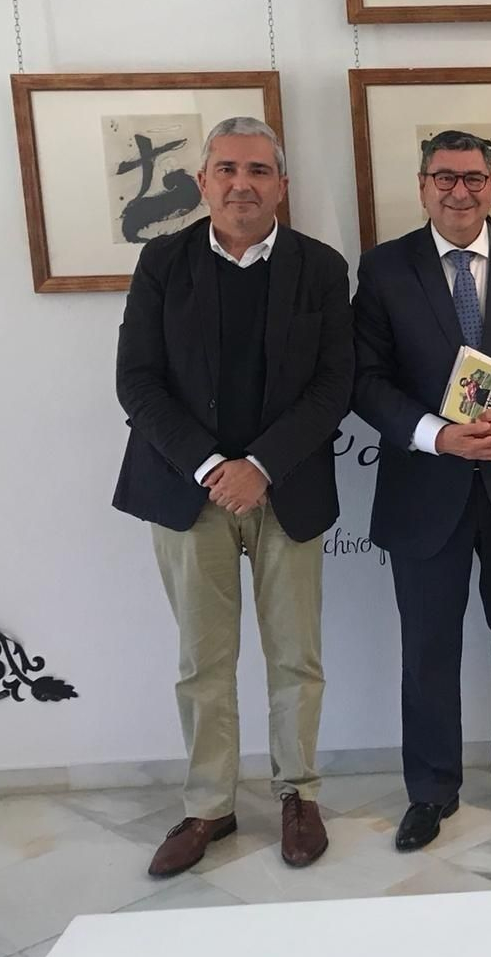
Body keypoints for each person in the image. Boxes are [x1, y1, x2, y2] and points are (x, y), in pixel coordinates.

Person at [113, 117, 351, 877]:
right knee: (202, 662)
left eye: (257, 170)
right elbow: (137, 381)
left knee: (295, 657)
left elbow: (333, 385)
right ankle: (208, 806)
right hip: (190, 494)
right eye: (226, 170)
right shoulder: (162, 262)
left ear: (281, 183)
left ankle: (297, 795)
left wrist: (264, 466)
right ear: (203, 180)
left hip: (289, 492)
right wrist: (216, 465)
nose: (241, 183)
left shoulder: (320, 267)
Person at [353, 130, 491, 849]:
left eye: (474, 178)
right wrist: (433, 433)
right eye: (444, 178)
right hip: (425, 487)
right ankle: (430, 790)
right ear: (422, 186)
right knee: (427, 650)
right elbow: (365, 377)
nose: (460, 191)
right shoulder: (385, 268)